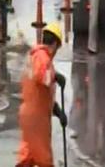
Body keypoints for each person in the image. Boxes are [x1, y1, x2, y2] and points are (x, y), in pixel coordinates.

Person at [16, 23, 67, 167]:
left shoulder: (37, 56)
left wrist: (57, 111)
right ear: (55, 44)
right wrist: (56, 76)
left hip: (31, 114)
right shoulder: (41, 56)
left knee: (28, 156)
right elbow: (42, 77)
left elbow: (41, 91)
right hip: (37, 118)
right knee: (44, 158)